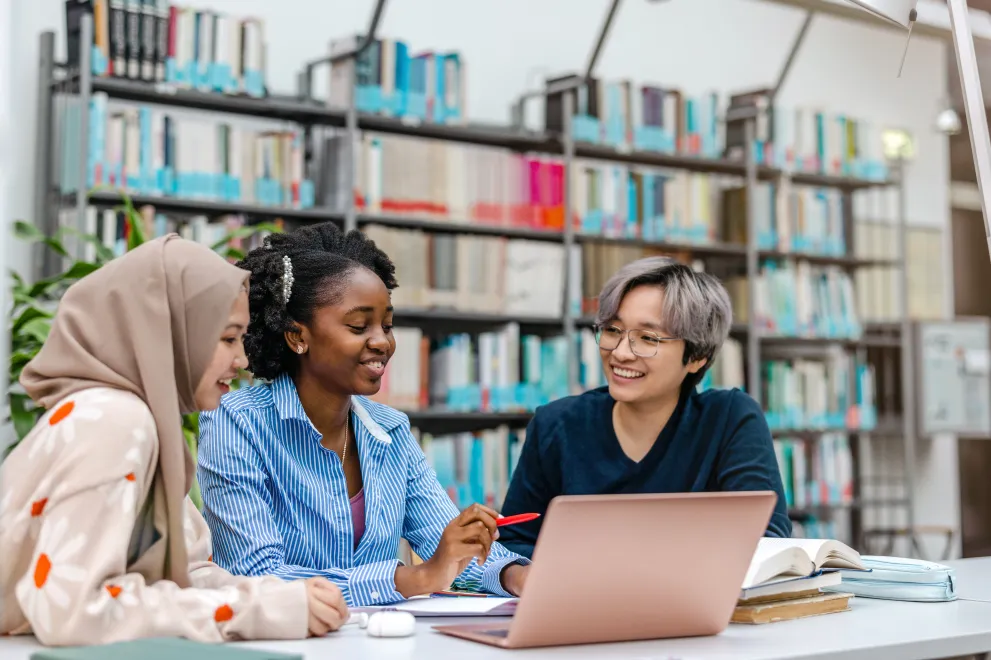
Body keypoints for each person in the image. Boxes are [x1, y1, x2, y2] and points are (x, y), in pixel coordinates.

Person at [0, 235, 349, 646]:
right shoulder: (115, 421)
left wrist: (279, 598)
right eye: (226, 338)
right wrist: (260, 611)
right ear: (168, 333)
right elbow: (75, 611)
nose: (241, 361)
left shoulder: (143, 422)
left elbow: (186, 572)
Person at [196, 222, 530, 607]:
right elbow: (256, 575)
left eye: (387, 325)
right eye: (359, 326)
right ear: (297, 336)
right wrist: (414, 577)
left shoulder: (391, 430)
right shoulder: (236, 422)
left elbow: (447, 547)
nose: (382, 342)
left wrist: (517, 576)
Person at [497, 256, 792, 559]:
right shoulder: (555, 424)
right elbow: (514, 541)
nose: (621, 353)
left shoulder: (730, 418)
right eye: (612, 330)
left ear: (696, 357)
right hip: (582, 603)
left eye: (647, 338)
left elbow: (765, 537)